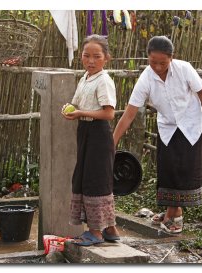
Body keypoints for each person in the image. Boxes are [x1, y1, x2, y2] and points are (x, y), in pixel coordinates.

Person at [113, 36, 202, 234]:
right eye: (153, 62)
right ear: (147, 59)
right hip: (168, 126)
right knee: (168, 169)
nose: (158, 67)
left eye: (163, 63)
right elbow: (129, 114)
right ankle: (170, 212)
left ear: (172, 58)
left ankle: (175, 214)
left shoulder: (184, 69)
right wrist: (113, 141)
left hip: (190, 123)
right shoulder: (146, 78)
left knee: (185, 169)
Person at [61, 34, 120, 245]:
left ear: (106, 58)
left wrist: (80, 113)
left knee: (95, 180)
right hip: (85, 132)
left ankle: (95, 233)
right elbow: (76, 104)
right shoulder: (85, 78)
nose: (91, 61)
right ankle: (111, 230)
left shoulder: (104, 80)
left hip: (99, 134)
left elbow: (109, 113)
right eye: (86, 56)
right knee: (86, 178)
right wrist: (69, 110)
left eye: (96, 56)